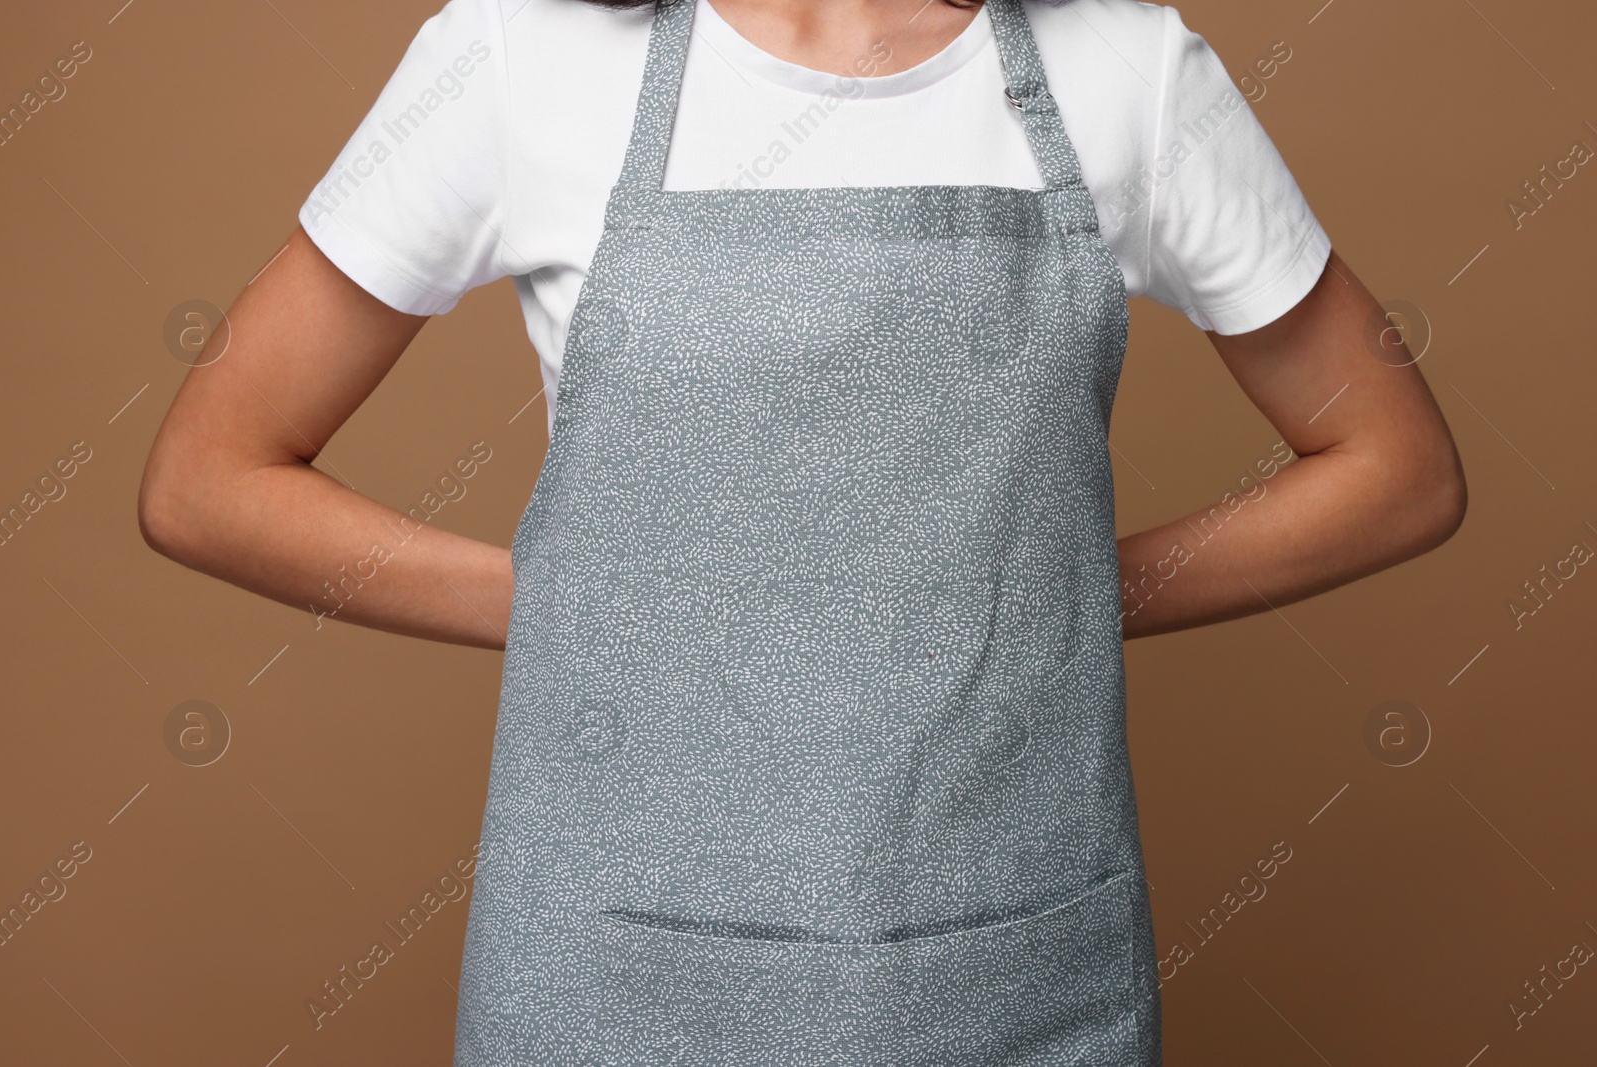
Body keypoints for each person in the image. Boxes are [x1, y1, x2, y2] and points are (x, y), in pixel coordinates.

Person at [138, 0, 1467, 1062]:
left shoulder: (1126, 69)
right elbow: (208, 479)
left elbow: (1396, 469)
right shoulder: (515, 59)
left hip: (1011, 980)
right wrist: (578, 598)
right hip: (613, 988)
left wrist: (1038, 591)